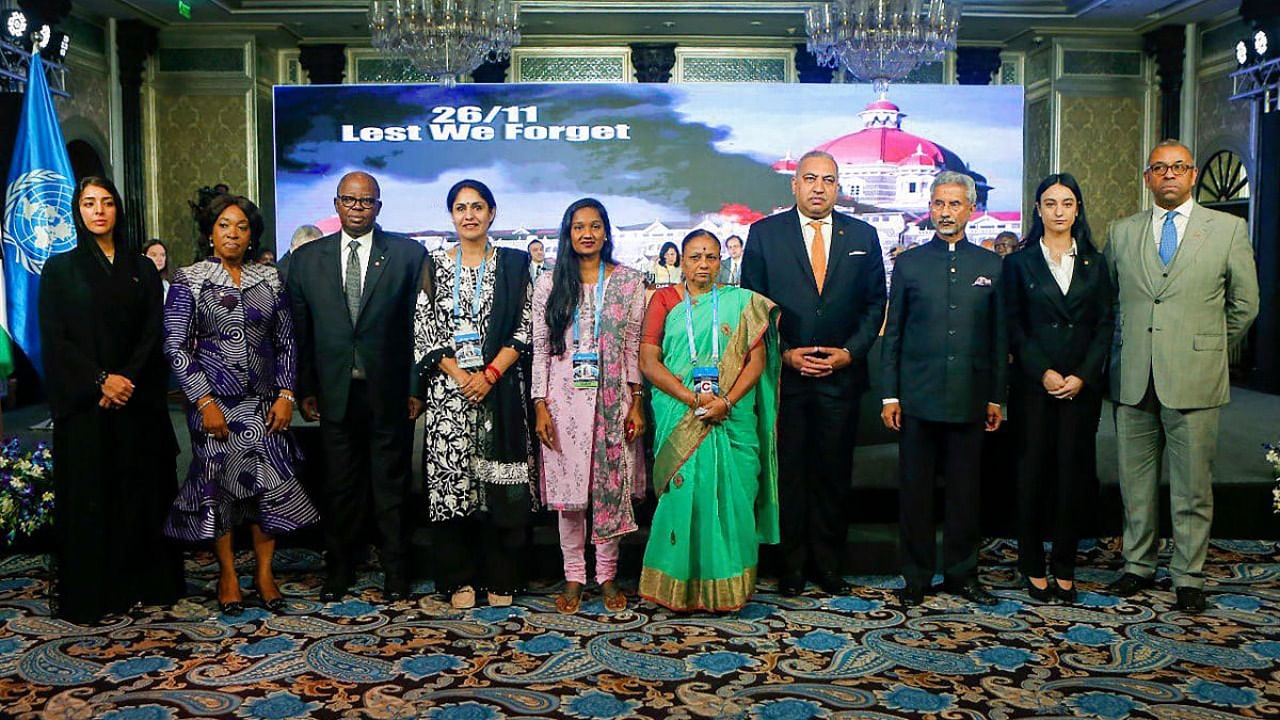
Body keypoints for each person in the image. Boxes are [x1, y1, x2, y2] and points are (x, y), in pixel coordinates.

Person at [1103, 140, 1259, 613]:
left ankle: (1188, 574)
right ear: (1147, 178)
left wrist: (1205, 345)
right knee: (1136, 482)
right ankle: (1138, 565)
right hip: (1133, 378)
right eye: (1159, 168)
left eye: (1178, 167)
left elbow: (1245, 305)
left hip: (1195, 377)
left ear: (1192, 176)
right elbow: (1110, 300)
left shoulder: (1228, 230)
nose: (1169, 175)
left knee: (1193, 485)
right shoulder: (1122, 232)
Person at [163, 194, 320, 615]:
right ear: (211, 233)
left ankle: (264, 574)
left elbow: (286, 342)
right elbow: (176, 347)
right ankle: (228, 573)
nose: (233, 234)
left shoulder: (269, 279)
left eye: (242, 227)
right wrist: (203, 400)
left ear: (252, 236)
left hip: (266, 405)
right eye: (224, 226)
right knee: (220, 491)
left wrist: (287, 395)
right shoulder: (190, 279)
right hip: (214, 406)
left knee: (268, 486)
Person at [38, 176, 184, 623]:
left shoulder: (141, 268)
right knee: (92, 497)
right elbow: (56, 339)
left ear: (118, 209)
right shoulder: (59, 269)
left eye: (106, 203)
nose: (98, 211)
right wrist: (101, 380)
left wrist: (126, 381)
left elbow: (151, 333)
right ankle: (95, 592)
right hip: (87, 405)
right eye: (88, 203)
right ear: (77, 211)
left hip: (136, 403)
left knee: (140, 494)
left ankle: (144, 583)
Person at [740, 150, 886, 596]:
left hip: (841, 377)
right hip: (786, 379)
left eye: (828, 179)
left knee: (833, 475)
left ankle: (828, 565)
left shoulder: (863, 234)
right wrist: (783, 354)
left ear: (837, 186)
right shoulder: (765, 234)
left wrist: (850, 352)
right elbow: (751, 306)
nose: (819, 187)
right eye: (810, 178)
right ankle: (792, 568)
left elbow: (874, 303)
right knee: (790, 475)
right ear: (794, 185)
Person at [287, 171, 429, 602]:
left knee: (391, 485)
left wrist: (415, 386)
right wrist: (305, 387)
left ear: (378, 207)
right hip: (332, 393)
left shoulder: (407, 254)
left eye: (366, 201)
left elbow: (417, 328)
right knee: (340, 486)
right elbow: (301, 331)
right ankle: (340, 568)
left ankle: (396, 571)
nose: (357, 207)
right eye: (349, 200)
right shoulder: (308, 258)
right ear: (336, 204)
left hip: (389, 391)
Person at [881, 171, 1007, 608]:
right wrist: (890, 395)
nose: (946, 212)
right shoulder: (910, 264)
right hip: (916, 398)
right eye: (939, 204)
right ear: (929, 208)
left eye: (955, 205)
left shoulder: (991, 266)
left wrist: (996, 396)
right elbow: (893, 333)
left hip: (971, 399)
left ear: (970, 210)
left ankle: (962, 574)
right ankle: (915, 575)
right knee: (915, 494)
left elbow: (998, 339)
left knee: (965, 494)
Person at [638, 229, 780, 611]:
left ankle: (727, 586)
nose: (703, 265)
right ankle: (676, 587)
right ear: (681, 261)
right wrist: (692, 399)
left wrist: (726, 403)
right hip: (679, 411)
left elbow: (757, 362)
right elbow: (648, 361)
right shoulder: (664, 300)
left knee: (731, 498)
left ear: (722, 262)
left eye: (711, 257)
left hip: (729, 417)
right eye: (695, 257)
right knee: (682, 496)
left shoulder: (742, 303)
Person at [416, 179, 535, 610]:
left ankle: (502, 575)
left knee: (496, 486)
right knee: (453, 486)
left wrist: (488, 374)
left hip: (499, 390)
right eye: (461, 208)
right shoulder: (433, 265)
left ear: (492, 213)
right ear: (451, 215)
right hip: (450, 396)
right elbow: (424, 330)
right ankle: (459, 578)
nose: (470, 215)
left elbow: (526, 325)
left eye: (478, 207)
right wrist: (458, 375)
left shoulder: (515, 264)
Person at [531, 198, 647, 614]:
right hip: (563, 404)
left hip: (613, 402)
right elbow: (541, 350)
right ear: (567, 233)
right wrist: (540, 404)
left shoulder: (629, 283)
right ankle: (574, 576)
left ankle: (608, 576)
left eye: (595, 226)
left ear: (605, 232)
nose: (587, 233)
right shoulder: (548, 284)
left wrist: (637, 401)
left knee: (609, 490)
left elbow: (633, 346)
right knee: (570, 496)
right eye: (578, 226)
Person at [1004, 174, 1113, 605]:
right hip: (1035, 386)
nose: (1059, 211)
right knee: (1032, 476)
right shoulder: (1019, 262)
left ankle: (1065, 564)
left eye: (1067, 203)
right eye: (1050, 203)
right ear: (1038, 210)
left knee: (1073, 476)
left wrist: (1082, 375)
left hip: (1080, 388)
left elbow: (1105, 324)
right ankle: (1031, 563)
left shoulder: (1095, 263)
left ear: (1078, 209)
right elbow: (1013, 325)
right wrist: (1043, 372)